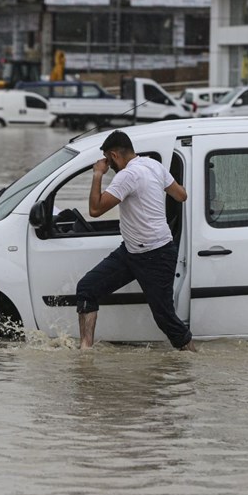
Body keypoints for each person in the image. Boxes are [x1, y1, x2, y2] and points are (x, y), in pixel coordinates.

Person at [76, 130, 195, 351]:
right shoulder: (154, 166)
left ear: (114, 155)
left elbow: (94, 210)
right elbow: (181, 195)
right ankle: (85, 352)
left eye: (108, 161)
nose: (108, 166)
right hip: (131, 252)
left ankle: (194, 358)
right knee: (87, 288)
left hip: (156, 255)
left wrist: (97, 175)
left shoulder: (127, 176)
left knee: (165, 318)